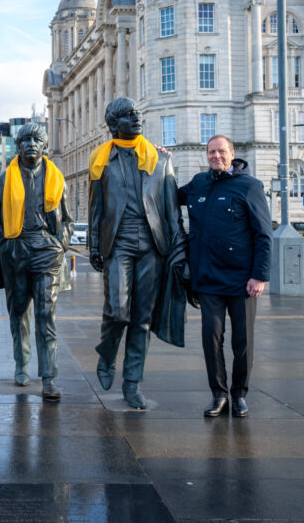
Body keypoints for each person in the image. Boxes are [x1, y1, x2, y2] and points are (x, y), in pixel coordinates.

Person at [88, 97, 188, 410]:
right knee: (118, 311)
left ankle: (132, 384)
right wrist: (93, 245)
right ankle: (106, 351)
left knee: (142, 318)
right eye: (129, 115)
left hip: (152, 247)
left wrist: (179, 249)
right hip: (118, 244)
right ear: (113, 123)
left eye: (138, 114)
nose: (137, 118)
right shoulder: (101, 160)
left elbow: (172, 209)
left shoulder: (160, 159)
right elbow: (96, 209)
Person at [178, 134, 270, 418]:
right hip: (207, 278)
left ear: (232, 154)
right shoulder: (198, 184)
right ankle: (218, 394)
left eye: (221, 152)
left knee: (242, 341)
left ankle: (239, 393)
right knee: (211, 338)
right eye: (211, 152)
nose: (216, 156)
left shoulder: (250, 186)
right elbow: (165, 194)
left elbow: (263, 234)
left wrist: (260, 276)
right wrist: (156, 159)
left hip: (242, 280)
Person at [0, 122, 73, 401]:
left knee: (46, 314)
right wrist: (3, 241)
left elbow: (68, 220)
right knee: (19, 312)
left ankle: (48, 376)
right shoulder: (2, 180)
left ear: (45, 145)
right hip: (16, 251)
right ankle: (22, 364)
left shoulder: (57, 178)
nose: (31, 144)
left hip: (47, 251)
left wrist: (60, 242)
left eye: (37, 140)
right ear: (18, 145)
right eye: (26, 140)